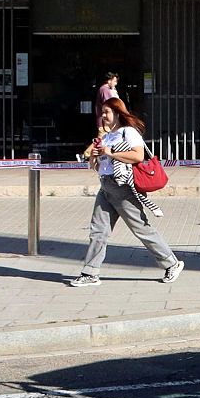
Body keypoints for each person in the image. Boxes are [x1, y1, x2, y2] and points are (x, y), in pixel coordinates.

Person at [70, 97, 184, 288]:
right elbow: (98, 167)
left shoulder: (128, 132)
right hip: (106, 186)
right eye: (102, 112)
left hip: (123, 188)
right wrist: (94, 157)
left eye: (107, 112)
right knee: (98, 230)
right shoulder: (107, 136)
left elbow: (138, 155)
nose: (103, 116)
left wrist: (110, 152)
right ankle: (90, 273)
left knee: (141, 228)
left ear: (117, 113)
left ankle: (171, 263)